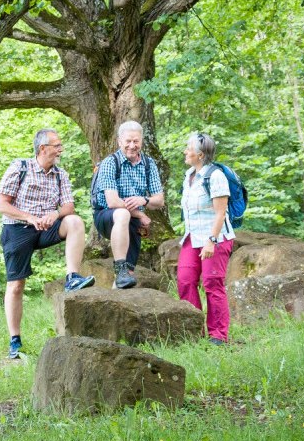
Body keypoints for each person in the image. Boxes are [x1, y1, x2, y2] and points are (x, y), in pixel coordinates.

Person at [0, 128, 94, 359]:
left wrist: (55, 214)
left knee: (74, 221)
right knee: (16, 285)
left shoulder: (61, 174)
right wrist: (29, 217)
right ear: (43, 148)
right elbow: (1, 205)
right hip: (17, 228)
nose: (61, 149)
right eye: (57, 145)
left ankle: (72, 278)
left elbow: (68, 206)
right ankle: (15, 341)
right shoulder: (20, 167)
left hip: (47, 227)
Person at [91, 121, 166, 289]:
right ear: (119, 141)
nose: (132, 145)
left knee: (127, 279)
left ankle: (122, 279)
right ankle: (120, 267)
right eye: (128, 141)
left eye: (136, 141)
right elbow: (113, 202)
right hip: (106, 215)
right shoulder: (110, 163)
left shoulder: (149, 164)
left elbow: (159, 200)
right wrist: (140, 214)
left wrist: (144, 200)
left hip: (131, 222)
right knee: (122, 213)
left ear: (141, 142)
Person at [177, 132, 235, 345]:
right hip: (192, 237)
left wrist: (211, 240)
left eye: (189, 149)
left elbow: (220, 213)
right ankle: (193, 332)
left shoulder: (215, 176)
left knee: (212, 283)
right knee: (185, 281)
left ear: (200, 154)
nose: (185, 151)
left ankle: (218, 335)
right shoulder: (189, 175)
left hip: (215, 237)